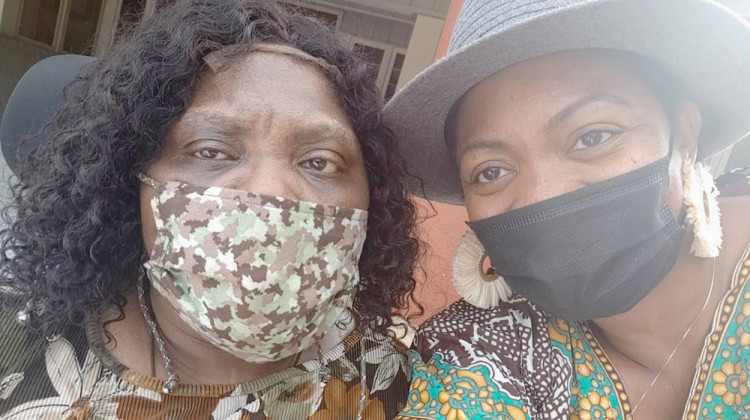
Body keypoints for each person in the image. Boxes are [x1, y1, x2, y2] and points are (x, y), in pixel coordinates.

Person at [0, 1, 421, 418]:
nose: (271, 192)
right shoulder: (13, 350)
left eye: (319, 162)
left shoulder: (407, 391)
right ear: (130, 181)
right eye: (211, 150)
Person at [385, 0, 750, 418]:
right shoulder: (481, 349)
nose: (544, 196)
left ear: (685, 138)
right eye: (491, 171)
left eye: (593, 137)